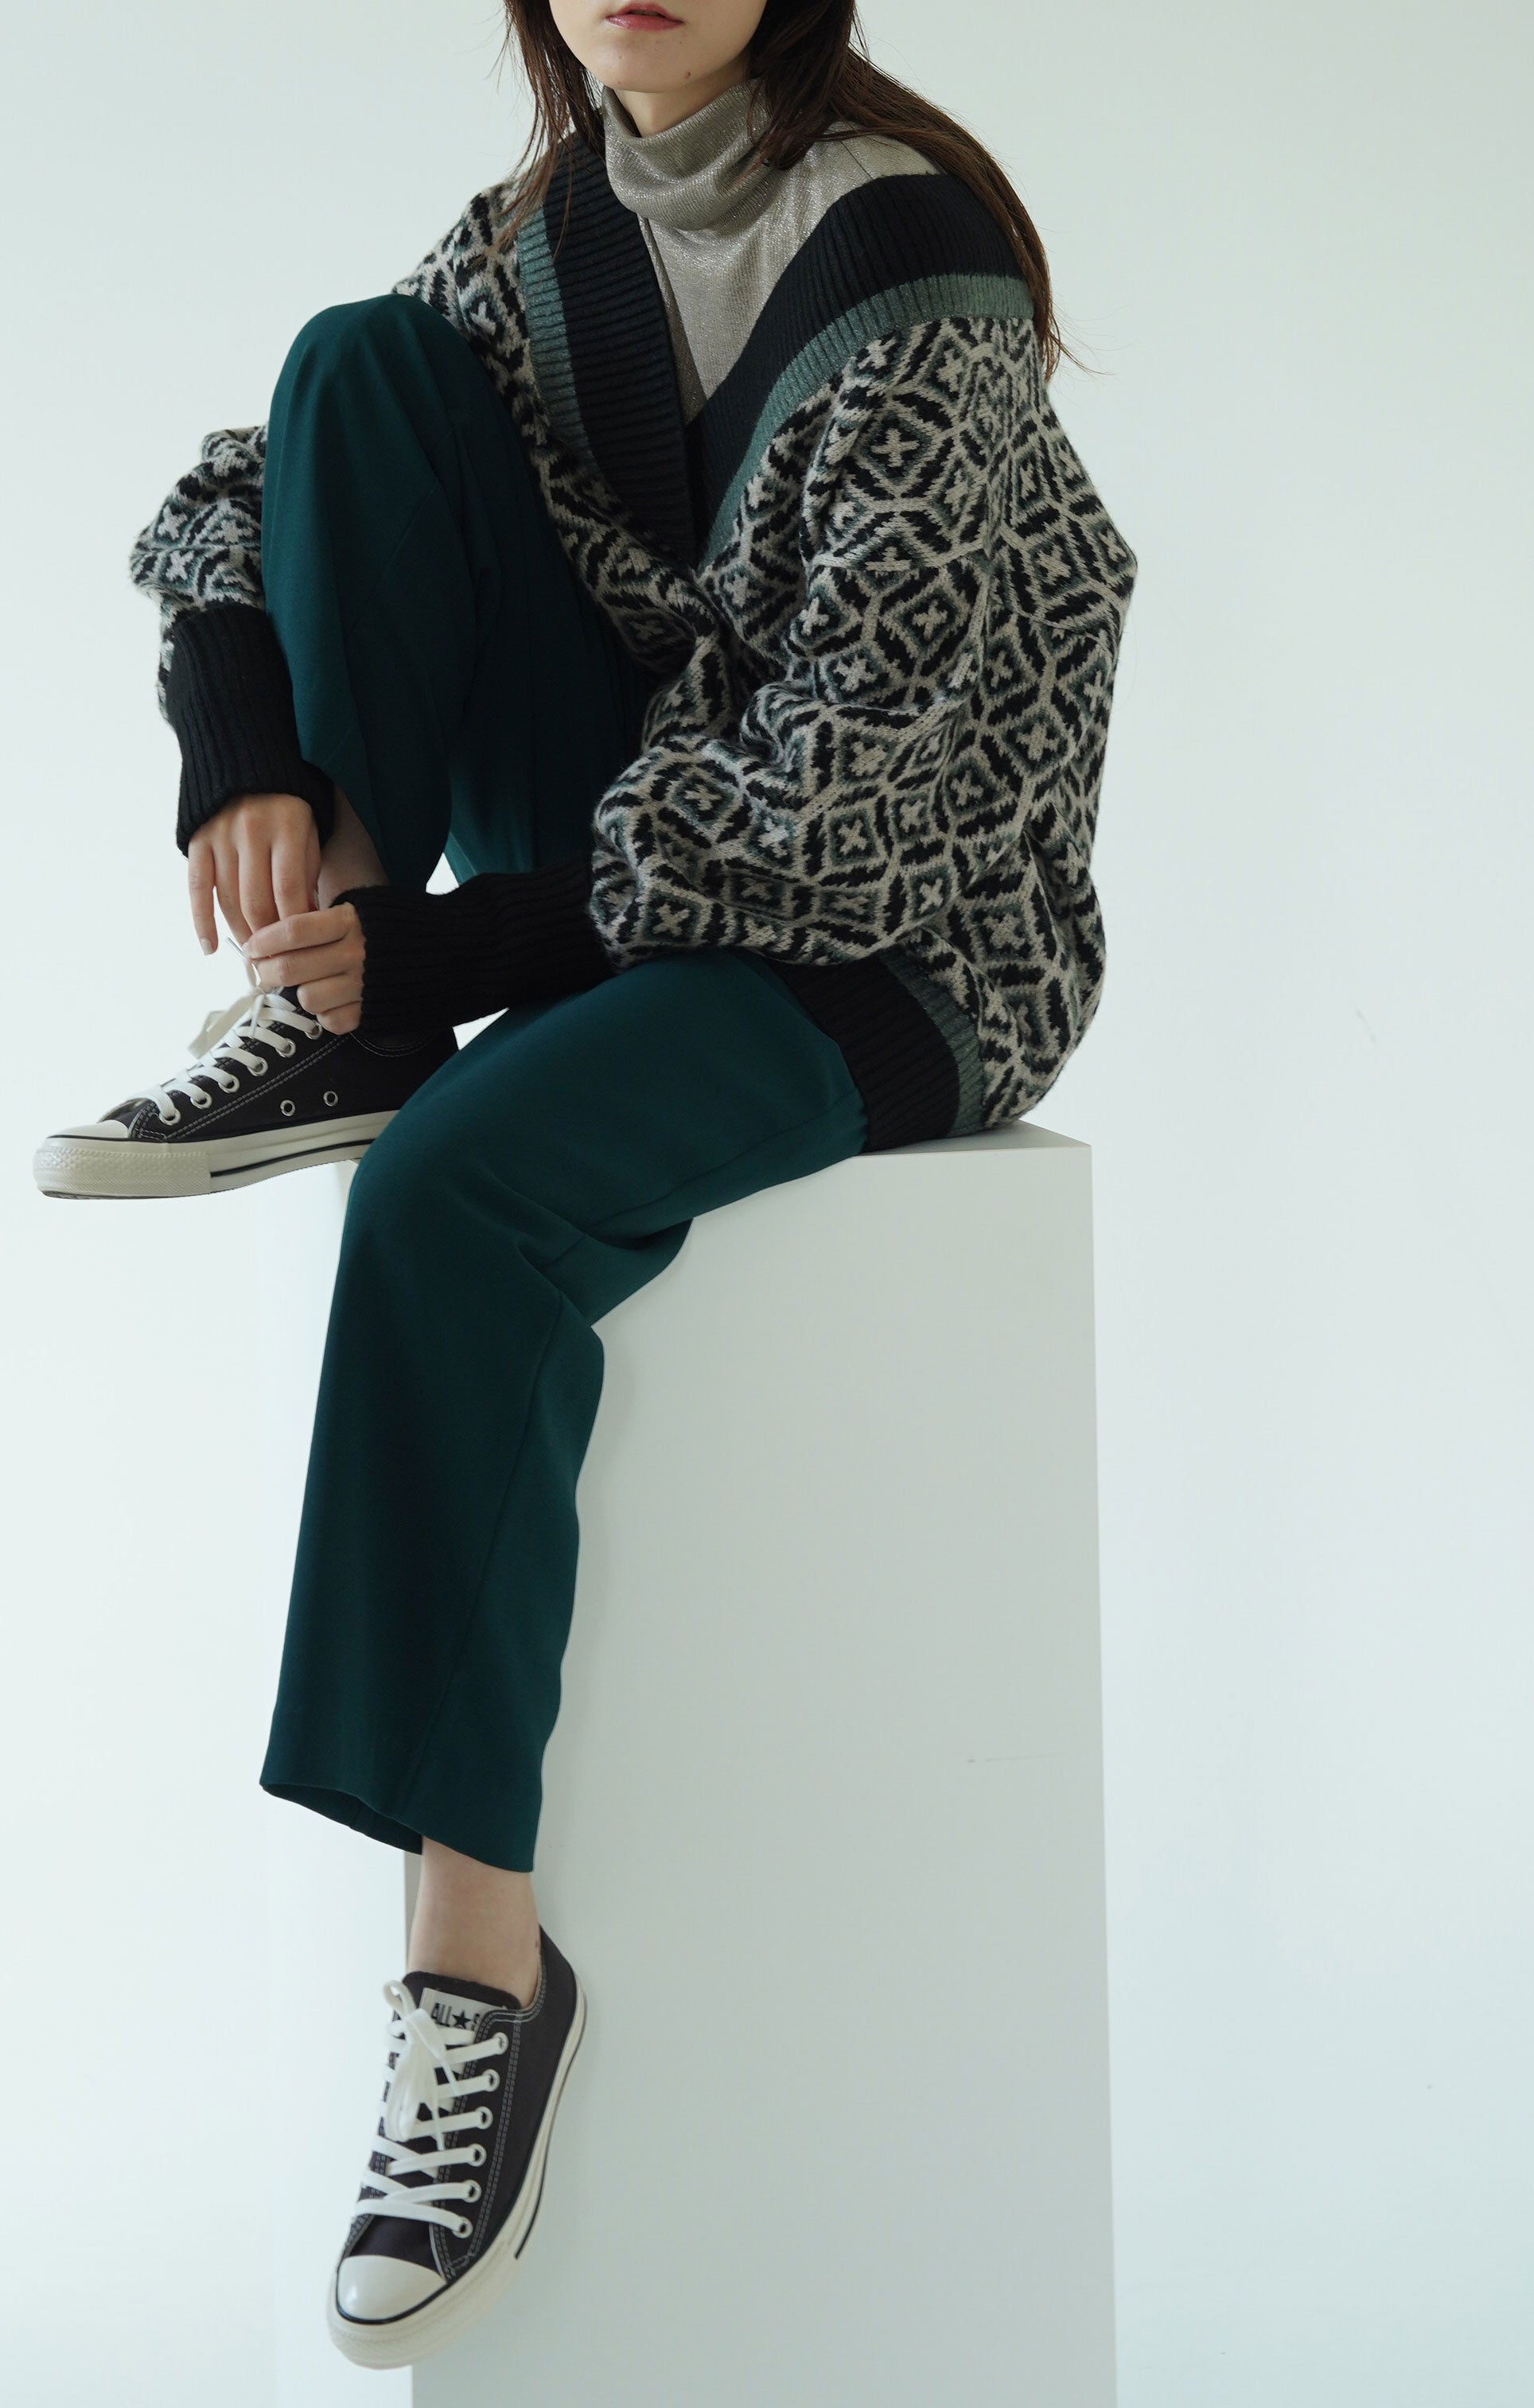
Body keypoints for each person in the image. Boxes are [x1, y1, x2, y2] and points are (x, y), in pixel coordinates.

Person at [34, 0, 1136, 2368]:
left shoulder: (902, 261)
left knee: (450, 1198)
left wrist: (470, 949)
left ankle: (476, 1977)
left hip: (897, 946)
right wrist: (242, 738)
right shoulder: (548, 229)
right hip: (633, 871)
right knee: (355, 374)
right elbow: (245, 485)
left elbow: (858, 799)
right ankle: (342, 1013)